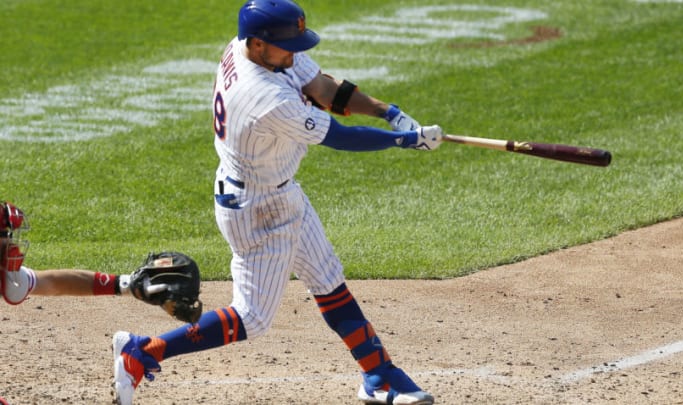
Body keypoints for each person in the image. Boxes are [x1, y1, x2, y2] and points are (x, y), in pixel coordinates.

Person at [111, 1, 442, 404]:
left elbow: (322, 88)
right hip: (257, 208)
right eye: (287, 46)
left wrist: (387, 112)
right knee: (251, 317)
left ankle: (379, 376)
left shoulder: (261, 52)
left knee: (328, 280)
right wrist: (405, 141)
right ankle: (142, 352)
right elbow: (339, 136)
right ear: (258, 44)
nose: (294, 53)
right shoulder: (263, 95)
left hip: (279, 193)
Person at [1, 201, 135, 304]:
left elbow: (53, 282)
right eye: (6, 235)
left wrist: (124, 284)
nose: (11, 244)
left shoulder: (6, 276)